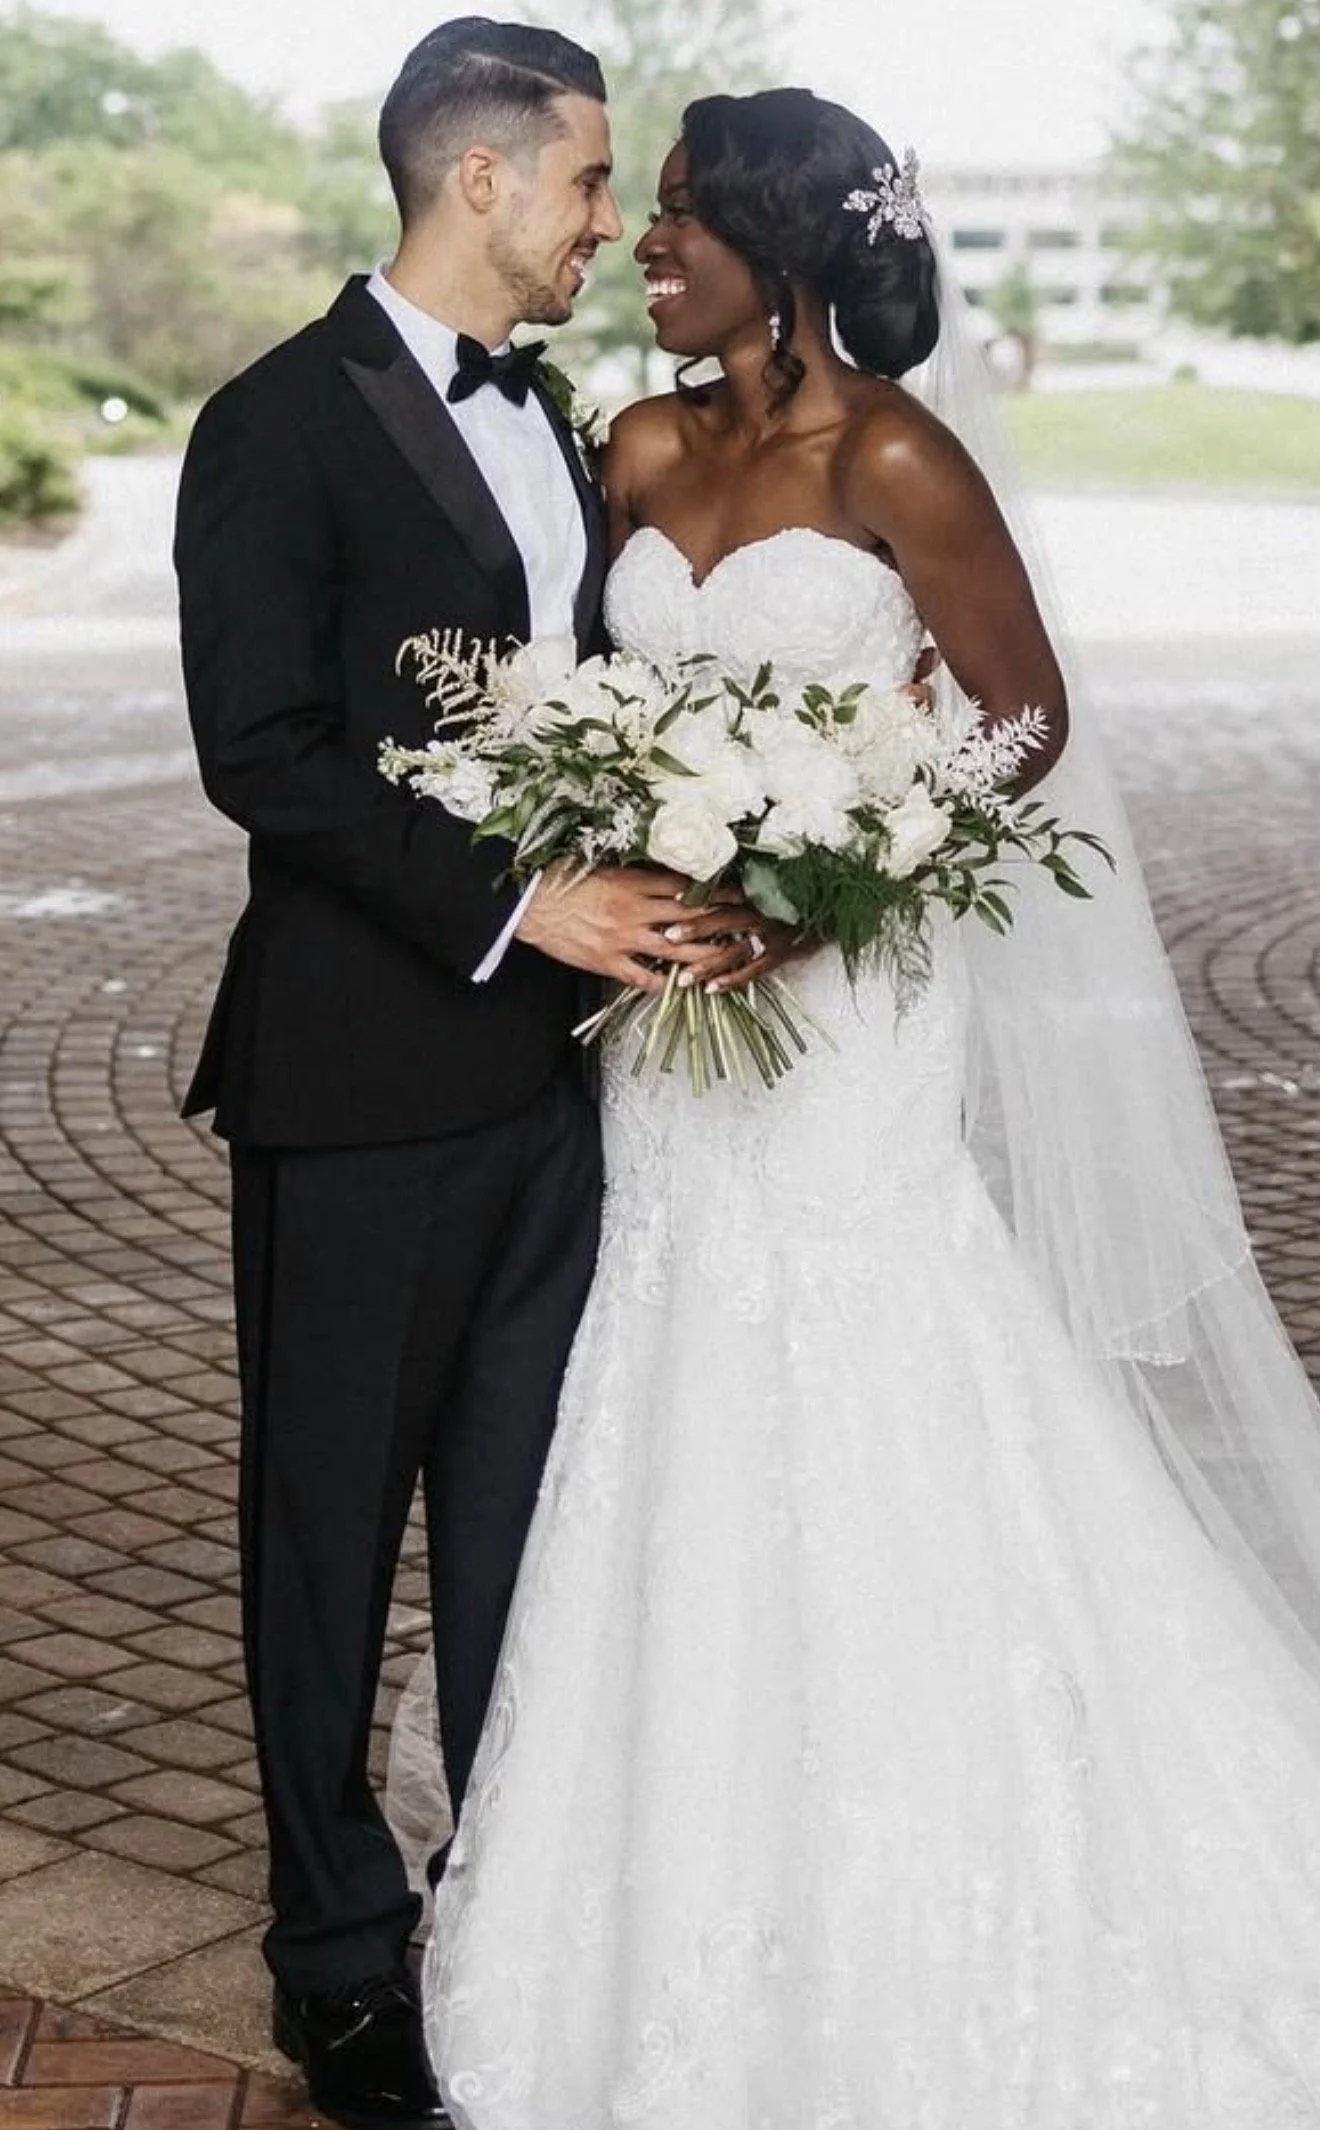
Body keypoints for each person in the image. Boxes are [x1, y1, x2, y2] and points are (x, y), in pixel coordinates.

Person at [397, 89, 1320, 2127]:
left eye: (687, 223)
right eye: (637, 220)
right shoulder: (634, 449)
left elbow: (1020, 715)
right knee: (667, 1382)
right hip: (664, 1027)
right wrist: (612, 832)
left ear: (784, 256)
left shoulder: (895, 453)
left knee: (870, 1372)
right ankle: (644, 1903)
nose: (646, 247)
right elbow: (580, 705)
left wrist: (842, 892)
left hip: (845, 1018)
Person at [173, 23, 771, 2130]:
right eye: (597, 185)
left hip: (569, 1086)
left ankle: (502, 1903)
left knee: (530, 1527)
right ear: (485, 181)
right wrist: (537, 901)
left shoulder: (563, 417)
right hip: (357, 1080)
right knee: (330, 1535)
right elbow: (264, 756)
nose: (616, 224)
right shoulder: (274, 422)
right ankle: (334, 1957)